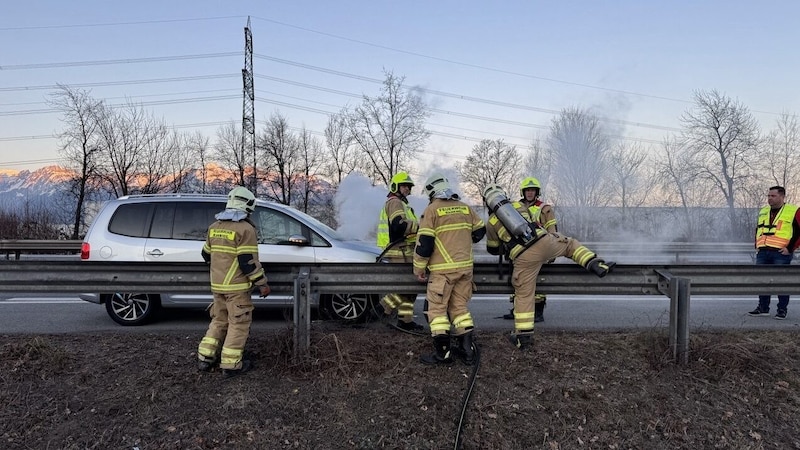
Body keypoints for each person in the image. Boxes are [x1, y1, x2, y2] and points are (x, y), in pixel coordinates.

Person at [482, 184, 615, 350]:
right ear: (504, 195)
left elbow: (493, 249)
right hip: (544, 241)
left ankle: (523, 337)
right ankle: (595, 264)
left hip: (524, 258)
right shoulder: (518, 205)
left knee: (524, 295)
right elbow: (534, 222)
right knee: (570, 245)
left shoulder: (491, 221)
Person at [197, 186, 271, 378]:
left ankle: (205, 358)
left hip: (217, 286)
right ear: (248, 206)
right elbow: (247, 262)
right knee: (239, 323)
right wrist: (262, 283)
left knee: (219, 320)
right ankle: (231, 364)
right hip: (236, 288)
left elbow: (205, 254)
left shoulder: (214, 228)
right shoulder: (245, 229)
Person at [414, 174, 486, 365]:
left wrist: (419, 268)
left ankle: (442, 355)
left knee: (437, 311)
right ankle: (468, 351)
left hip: (442, 271)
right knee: (459, 308)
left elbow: (425, 244)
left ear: (431, 192)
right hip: (465, 269)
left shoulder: (432, 210)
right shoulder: (465, 207)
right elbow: (480, 231)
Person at [375, 171, 425, 331]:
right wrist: (421, 227)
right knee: (407, 286)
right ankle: (383, 308)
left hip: (404, 250)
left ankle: (405, 320)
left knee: (410, 289)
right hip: (399, 250)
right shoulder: (395, 202)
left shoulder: (401, 203)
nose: (408, 190)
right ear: (396, 186)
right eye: (405, 186)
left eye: (409, 187)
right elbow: (399, 225)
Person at [503, 177, 557, 322]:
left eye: (532, 190)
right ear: (523, 192)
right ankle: (517, 309)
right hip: (520, 251)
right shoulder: (514, 206)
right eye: (527, 190)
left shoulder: (544, 208)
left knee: (538, 282)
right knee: (518, 280)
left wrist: (552, 250)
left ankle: (538, 312)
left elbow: (552, 229)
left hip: (540, 250)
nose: (530, 193)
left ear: (537, 192)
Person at [748, 185, 800, 320]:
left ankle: (782, 310)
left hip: (780, 253)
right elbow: (759, 229)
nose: (769, 198)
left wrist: (790, 248)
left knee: (781, 281)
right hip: (763, 251)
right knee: (762, 281)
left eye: (773, 196)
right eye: (769, 196)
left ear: (782, 197)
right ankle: (763, 307)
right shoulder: (764, 210)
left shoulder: (793, 210)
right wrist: (757, 245)